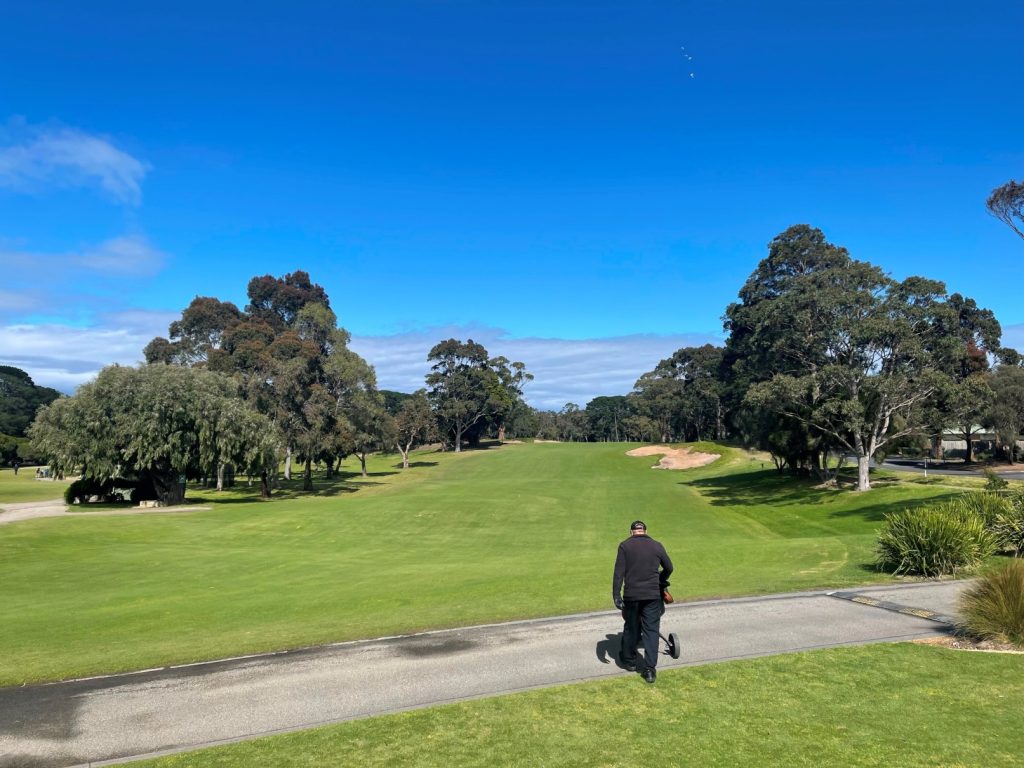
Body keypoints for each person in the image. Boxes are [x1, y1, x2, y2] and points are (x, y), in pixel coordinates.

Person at [612, 520, 673, 683]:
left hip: (632, 596)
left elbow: (619, 573)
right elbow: (669, 567)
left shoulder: (625, 546)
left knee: (631, 627)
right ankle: (650, 670)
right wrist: (661, 578)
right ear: (645, 531)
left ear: (631, 532)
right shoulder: (657, 545)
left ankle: (629, 661)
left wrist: (616, 595)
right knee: (651, 631)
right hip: (652, 595)